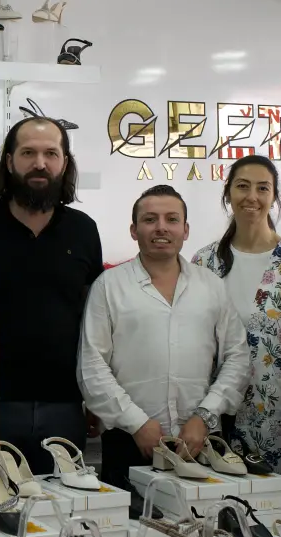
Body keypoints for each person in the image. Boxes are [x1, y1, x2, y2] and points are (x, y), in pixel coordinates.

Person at [0, 117, 102, 475]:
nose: (40, 163)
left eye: (51, 154)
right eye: (28, 153)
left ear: (65, 163)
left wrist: (94, 398)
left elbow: (93, 322)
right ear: (9, 161)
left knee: (64, 504)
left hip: (64, 406)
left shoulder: (83, 230)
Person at [78, 184, 248, 490]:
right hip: (129, 440)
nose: (161, 228)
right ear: (134, 230)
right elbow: (91, 365)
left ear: (185, 230)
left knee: (202, 521)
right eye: (150, 219)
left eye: (172, 219)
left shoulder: (211, 286)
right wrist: (137, 423)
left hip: (199, 442)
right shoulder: (109, 286)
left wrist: (204, 417)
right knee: (129, 521)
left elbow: (237, 357)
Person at [189, 155, 281, 516]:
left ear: (274, 196)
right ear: (228, 193)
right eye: (242, 186)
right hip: (214, 417)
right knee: (217, 519)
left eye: (262, 188)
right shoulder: (205, 263)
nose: (251, 196)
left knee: (276, 518)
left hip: (277, 416)